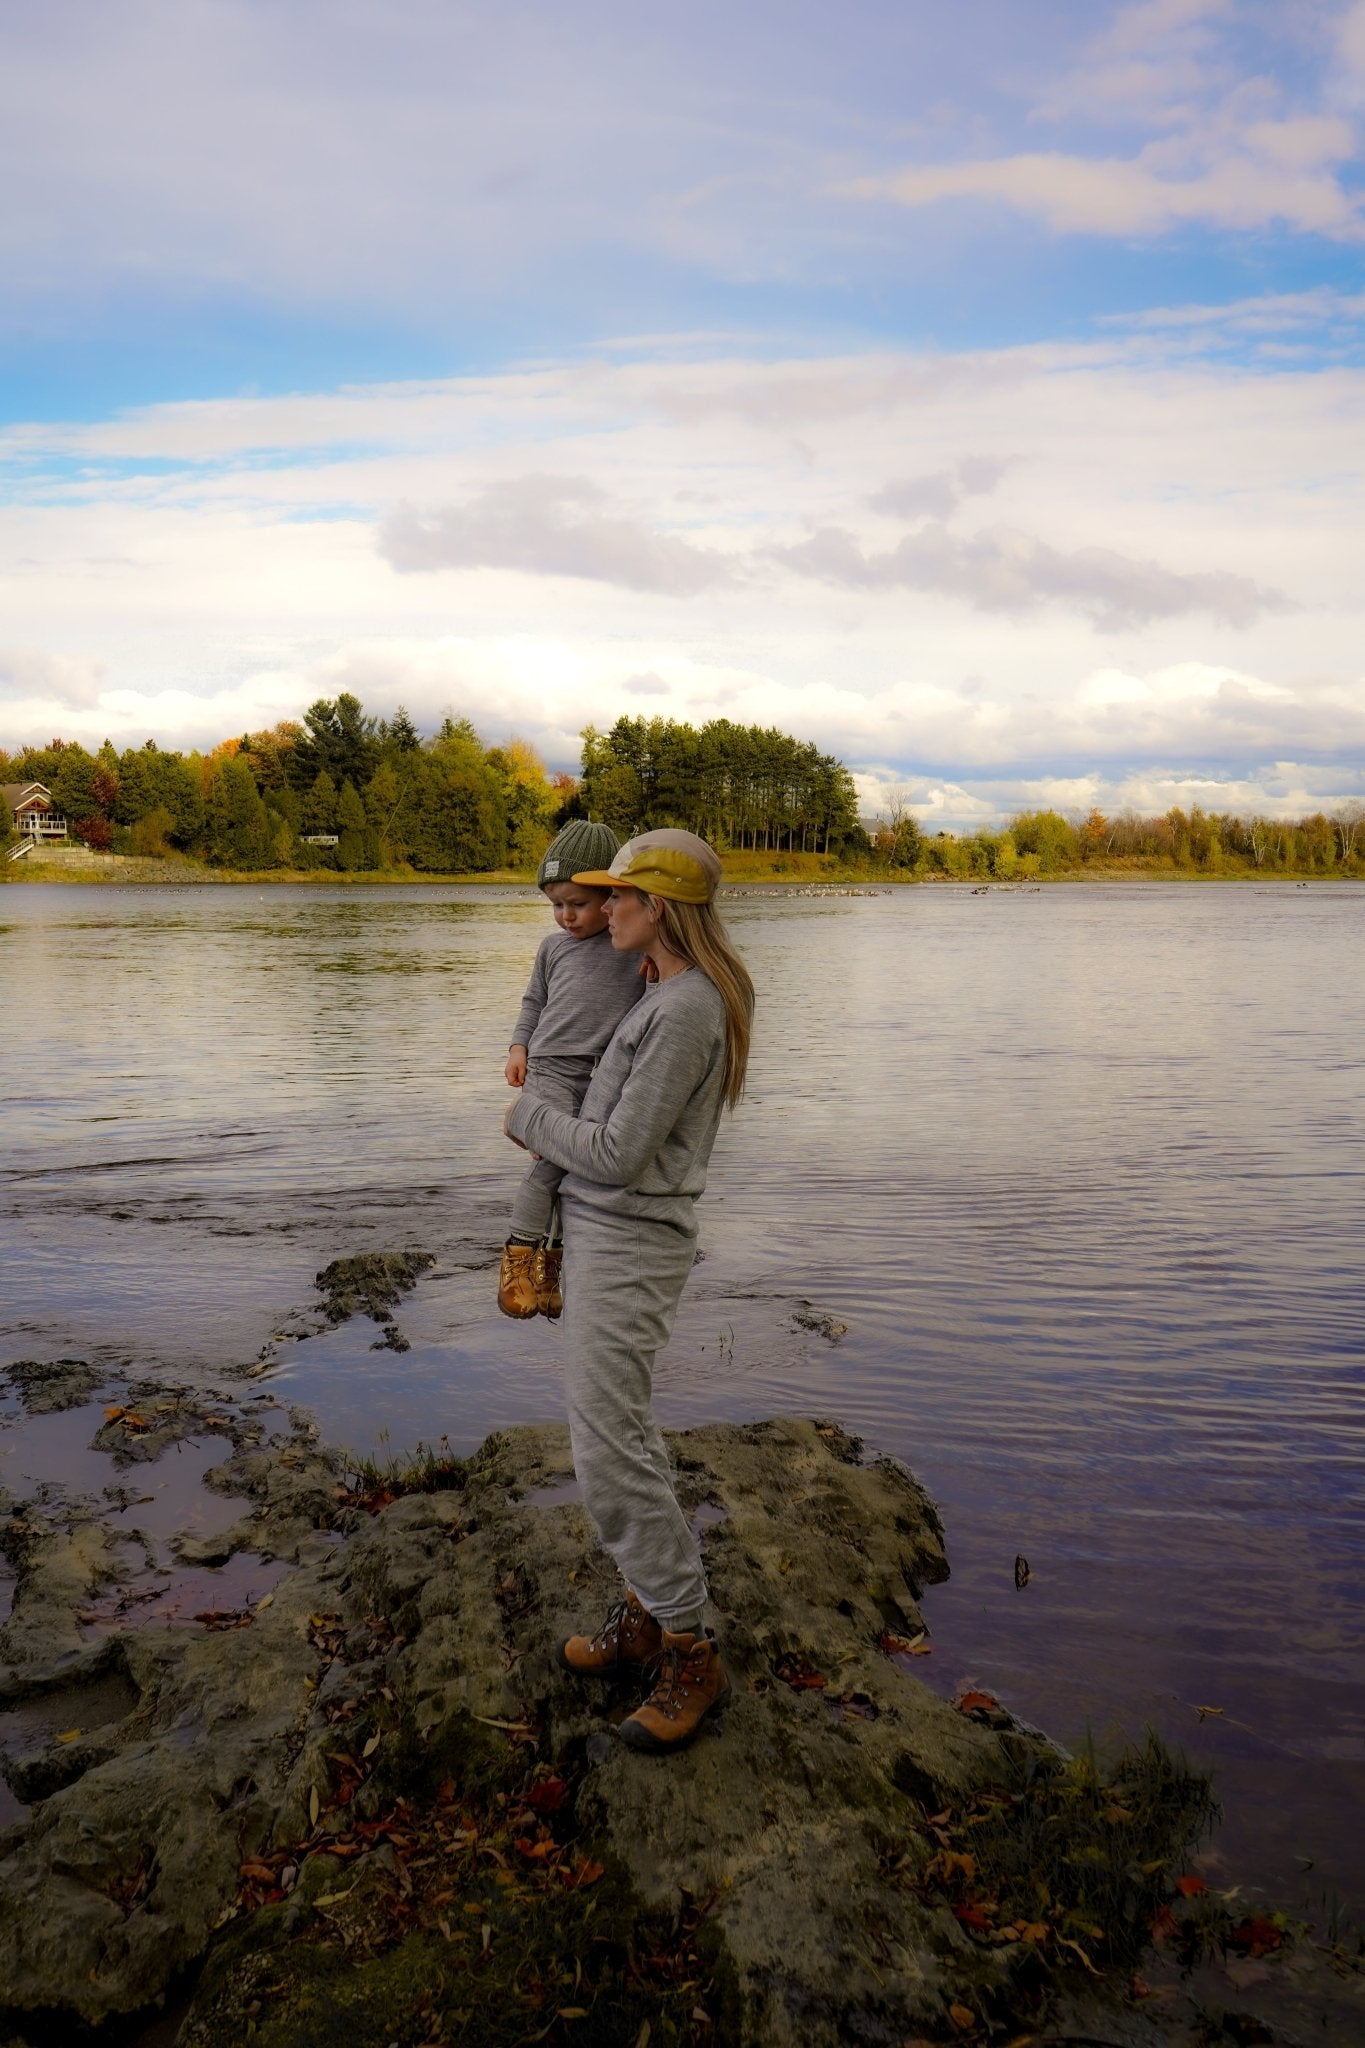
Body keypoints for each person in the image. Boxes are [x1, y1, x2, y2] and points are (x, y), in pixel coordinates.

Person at [503, 828, 754, 1755]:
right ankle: (648, 1613)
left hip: (633, 1242)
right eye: (596, 897)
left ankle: (689, 1645)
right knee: (620, 1432)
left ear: (659, 909)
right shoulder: (657, 991)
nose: (597, 910)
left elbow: (616, 1153)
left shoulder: (686, 1009)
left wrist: (528, 1117)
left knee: (606, 1449)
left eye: (616, 897)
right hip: (610, 1233)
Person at [499, 819, 646, 1320]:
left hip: (604, 1074)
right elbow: (533, 1001)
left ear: (609, 896)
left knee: (578, 1172)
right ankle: (518, 1257)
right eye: (556, 905)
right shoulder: (552, 948)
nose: (565, 916)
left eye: (577, 904)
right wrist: (519, 1046)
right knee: (549, 1164)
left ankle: (552, 1269)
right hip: (552, 1069)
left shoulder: (630, 947)